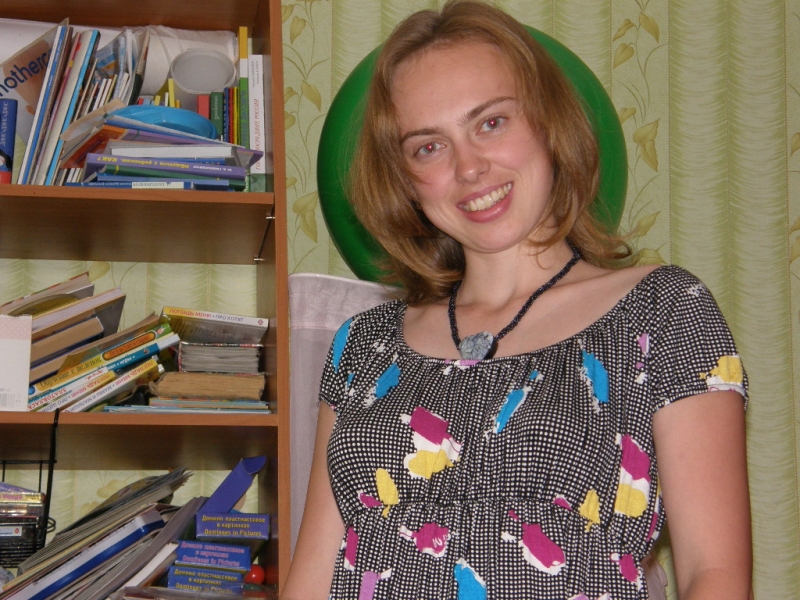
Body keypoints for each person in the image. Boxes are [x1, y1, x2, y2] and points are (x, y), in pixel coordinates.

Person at [282, 1, 752, 598]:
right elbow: (310, 579)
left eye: (491, 123)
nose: (469, 167)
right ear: (405, 182)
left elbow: (715, 572)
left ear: (548, 122)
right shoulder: (362, 346)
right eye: (428, 147)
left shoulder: (664, 310)